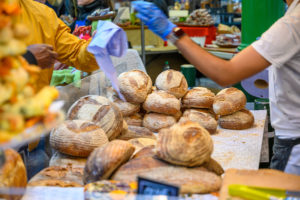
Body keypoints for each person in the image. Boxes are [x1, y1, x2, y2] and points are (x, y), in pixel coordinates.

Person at [132, 0, 300, 175]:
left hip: (294, 143)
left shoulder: (293, 23)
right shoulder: (292, 15)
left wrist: (173, 33)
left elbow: (225, 74)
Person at [15, 0, 100, 91]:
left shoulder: (42, 14)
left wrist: (96, 45)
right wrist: (27, 59)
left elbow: (76, 52)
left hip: (39, 103)